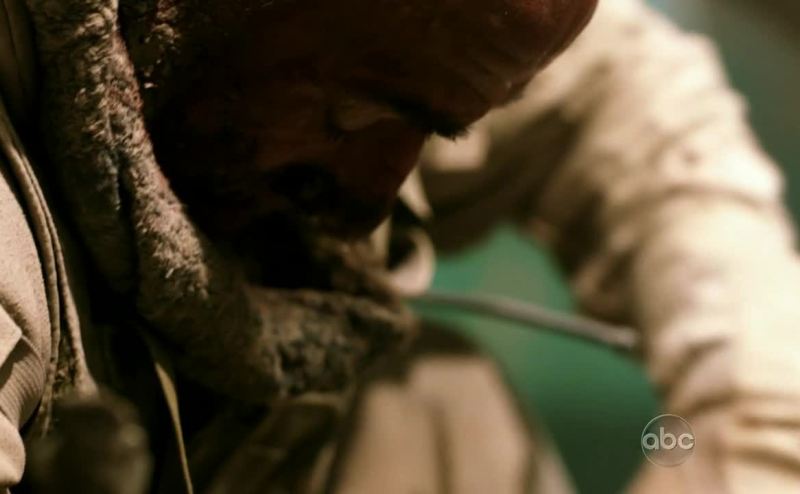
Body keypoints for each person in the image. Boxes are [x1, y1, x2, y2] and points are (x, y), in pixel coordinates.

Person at [1, 0, 798, 492]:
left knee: (445, 411)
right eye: (353, 115)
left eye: (444, 129)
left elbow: (630, 99)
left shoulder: (404, 40)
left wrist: (761, 437)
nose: (376, 198)